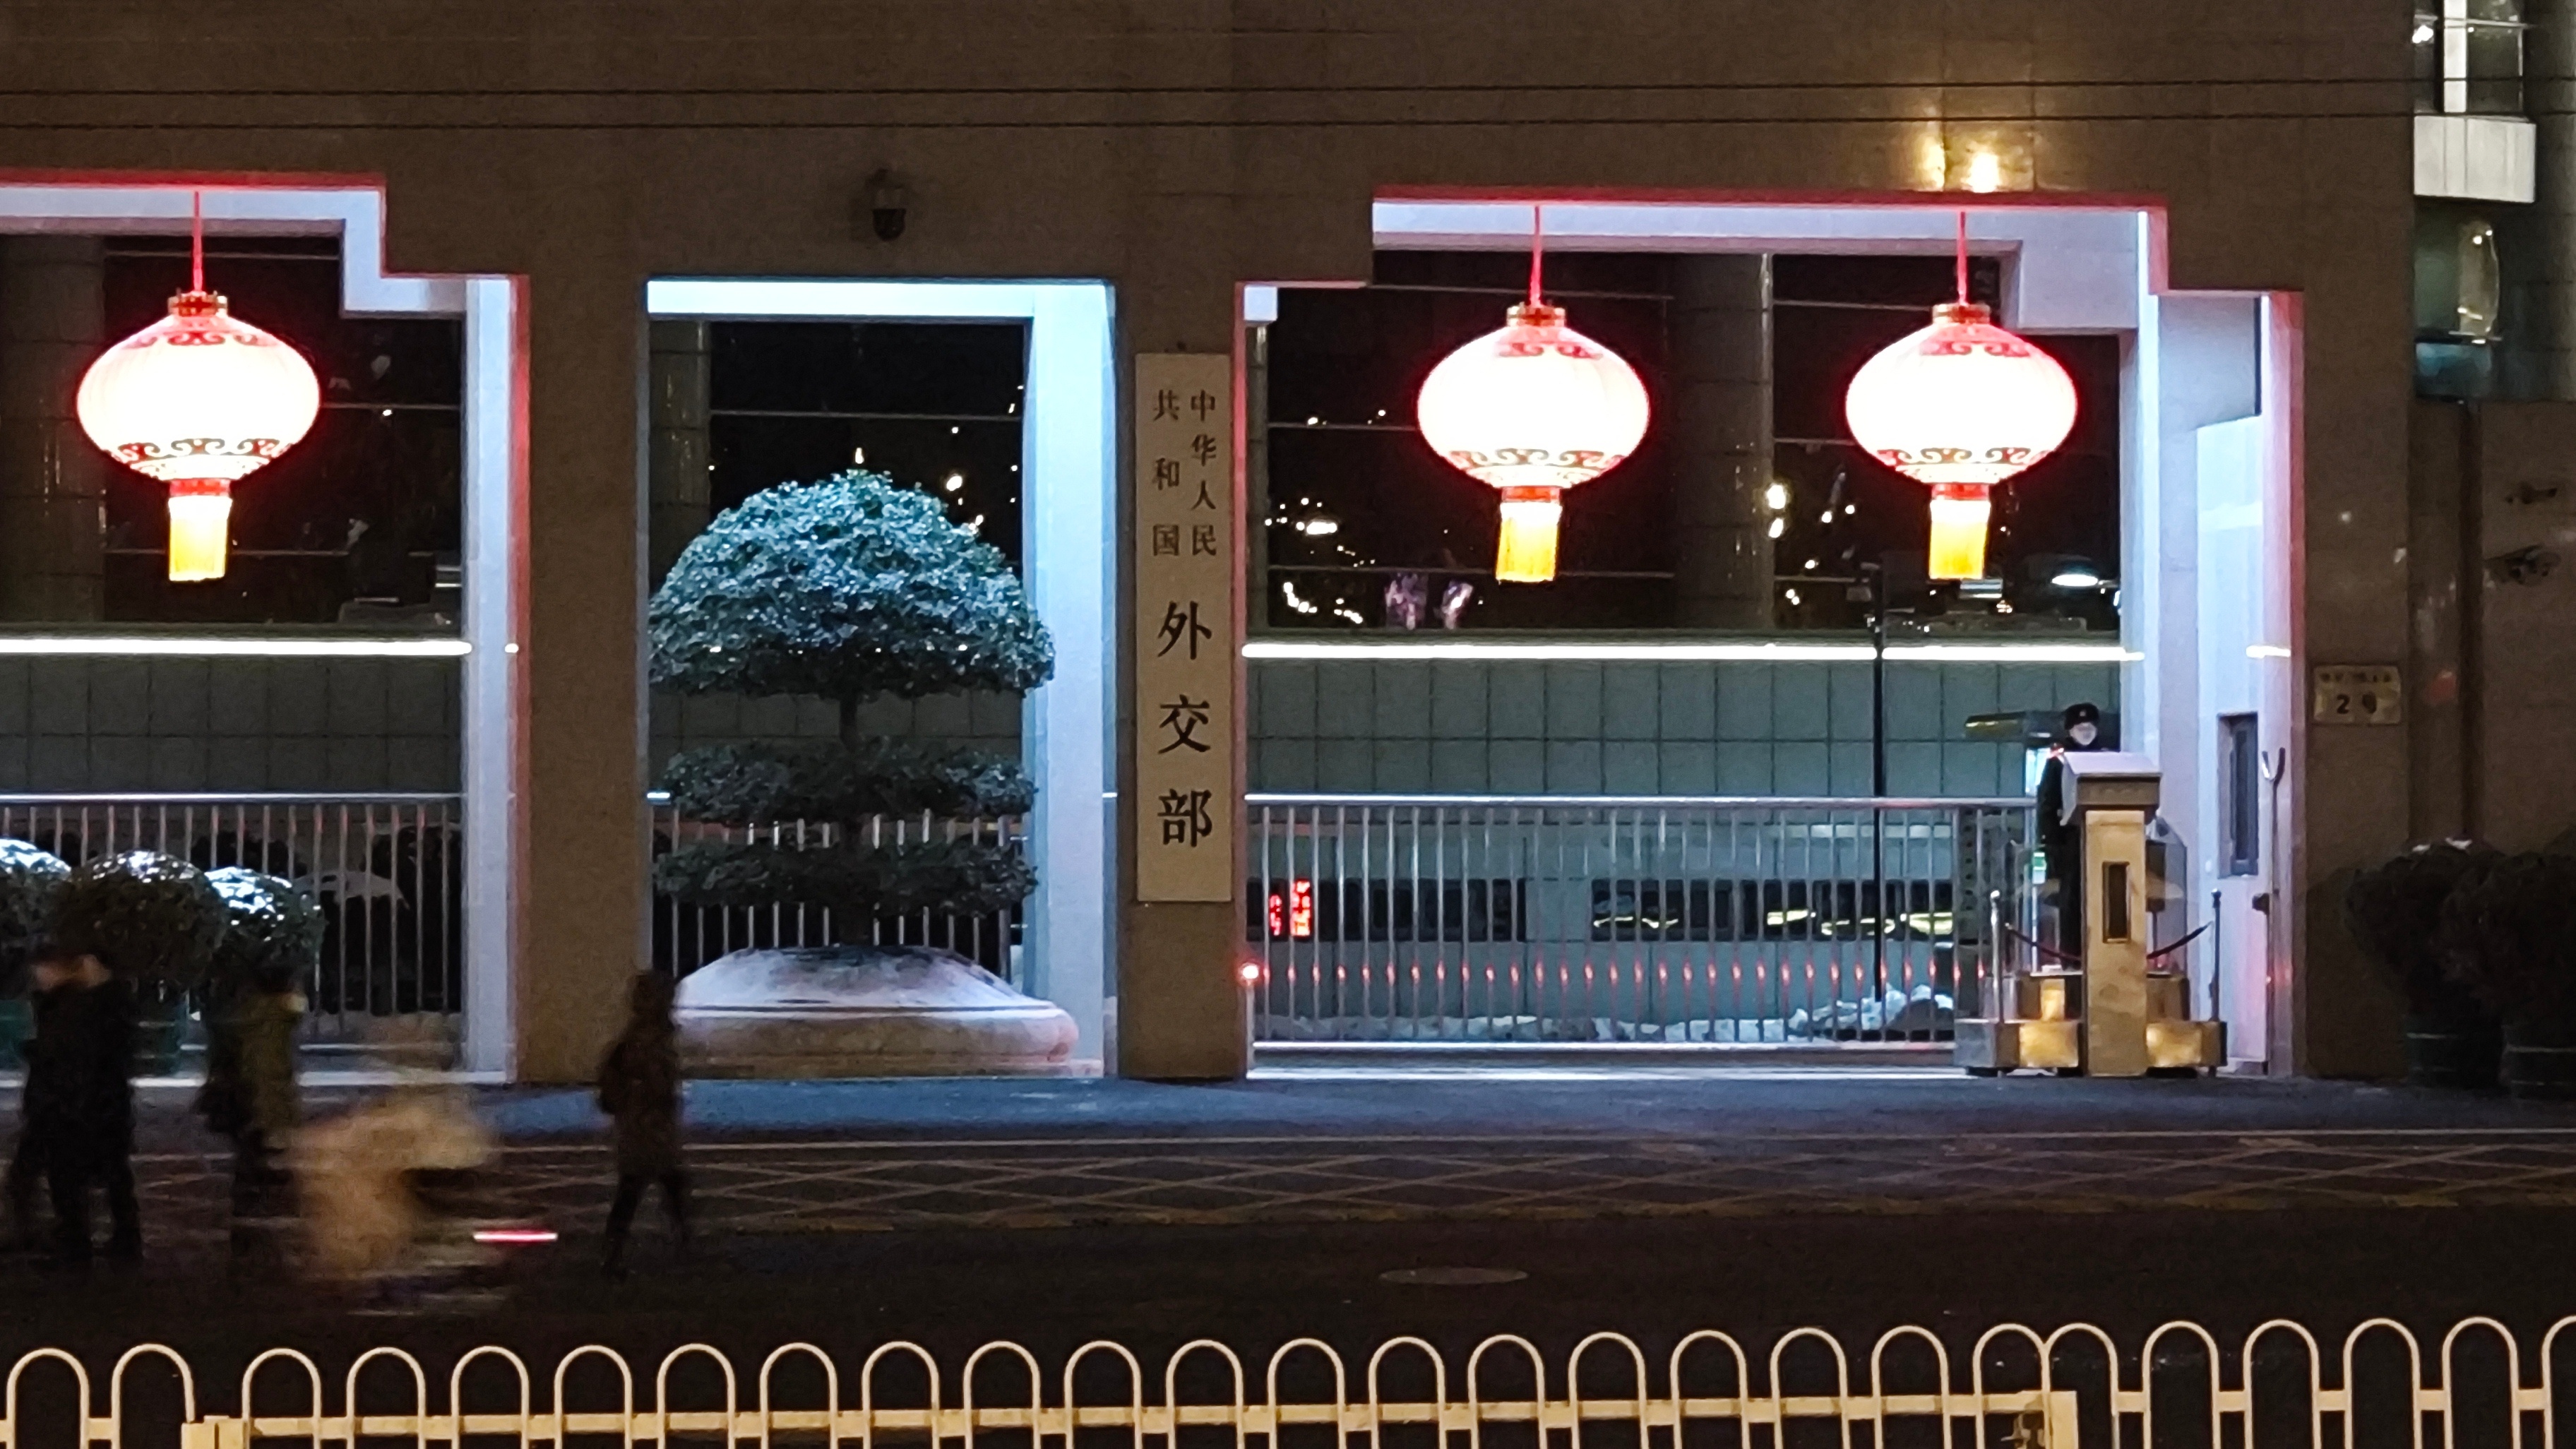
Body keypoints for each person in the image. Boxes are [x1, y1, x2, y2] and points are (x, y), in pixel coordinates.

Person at [195, 969, 304, 1261]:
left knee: (249, 1170)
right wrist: (273, 1119)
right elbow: (267, 1074)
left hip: (246, 1105)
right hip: (257, 1109)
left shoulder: (246, 1014)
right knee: (258, 1172)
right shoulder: (270, 1020)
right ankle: (254, 1245)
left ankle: (247, 1237)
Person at [44, 954, 139, 1264]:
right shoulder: (107, 1003)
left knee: (76, 1177)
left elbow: (79, 1058)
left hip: (85, 1105)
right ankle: (118, 1239)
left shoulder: (90, 1006)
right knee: (111, 1175)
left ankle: (79, 1243)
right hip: (100, 1104)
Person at [595, 972, 688, 1277]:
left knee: (646, 1187)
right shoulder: (646, 1040)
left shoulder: (641, 1037)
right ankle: (614, 1255)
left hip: (643, 1123)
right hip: (646, 1124)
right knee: (645, 1187)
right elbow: (656, 1081)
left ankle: (614, 1253)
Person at [4, 949, 78, 1250]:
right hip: (50, 1103)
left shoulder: (68, 1006)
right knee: (41, 1175)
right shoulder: (53, 1003)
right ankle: (51, 1234)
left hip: (58, 1105)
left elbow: (61, 1054)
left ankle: (65, 1237)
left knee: (50, 1175)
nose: (37, 977)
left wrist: (36, 1052)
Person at [2034, 701, 2109, 958]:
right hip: (2070, 842)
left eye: (2089, 725)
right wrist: (2050, 844)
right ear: (2070, 730)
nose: (2085, 730)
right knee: (2072, 902)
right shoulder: (2059, 760)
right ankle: (2072, 958)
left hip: (2105, 840)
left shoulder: (2107, 757)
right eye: (2080, 726)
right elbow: (2047, 804)